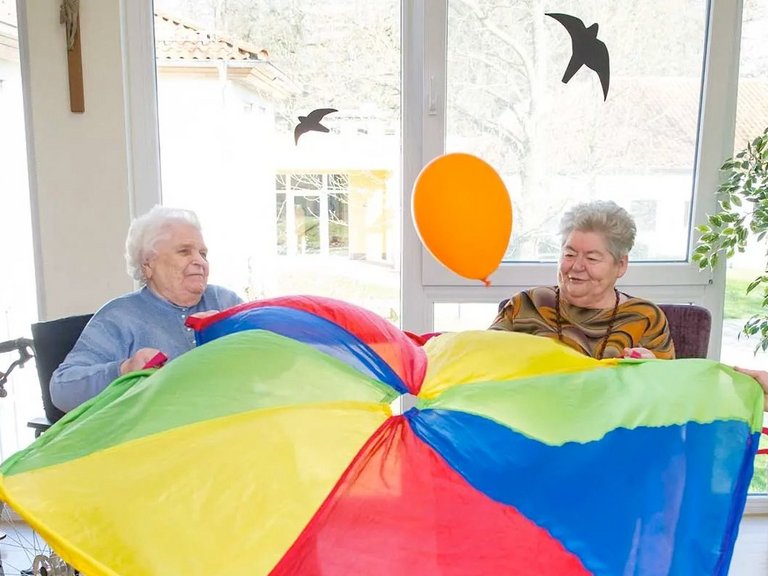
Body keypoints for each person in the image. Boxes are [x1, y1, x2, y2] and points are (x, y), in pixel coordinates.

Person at [50, 206, 243, 412]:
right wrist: (125, 370)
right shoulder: (119, 316)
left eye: (203, 253)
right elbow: (62, 389)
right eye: (184, 251)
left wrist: (232, 332)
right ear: (148, 265)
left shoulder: (225, 301)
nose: (200, 261)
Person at [490, 200, 675, 360]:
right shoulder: (526, 305)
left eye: (592, 258)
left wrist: (652, 370)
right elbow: (481, 365)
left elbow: (669, 391)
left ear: (620, 265)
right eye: (569, 254)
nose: (577, 266)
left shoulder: (645, 317)